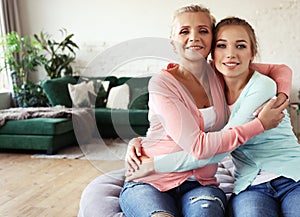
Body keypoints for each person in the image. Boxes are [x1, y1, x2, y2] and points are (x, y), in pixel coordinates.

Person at [119, 5, 291, 217]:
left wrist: (282, 97)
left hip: (201, 183)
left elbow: (279, 69)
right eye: (184, 31)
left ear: (211, 41)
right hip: (151, 178)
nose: (194, 38)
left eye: (203, 30)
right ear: (172, 41)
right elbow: (199, 147)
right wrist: (260, 125)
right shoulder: (162, 83)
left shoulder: (220, 72)